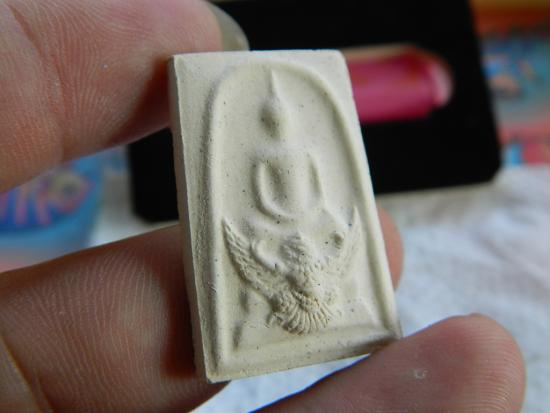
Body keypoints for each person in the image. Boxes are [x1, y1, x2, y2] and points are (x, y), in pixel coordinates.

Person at [0, 1, 525, 411]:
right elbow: (261, 189)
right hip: (273, 217)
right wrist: (276, 215)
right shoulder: (264, 154)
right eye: (273, 121)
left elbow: (315, 185)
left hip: (307, 214)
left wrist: (307, 212)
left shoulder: (302, 149)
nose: (278, 125)